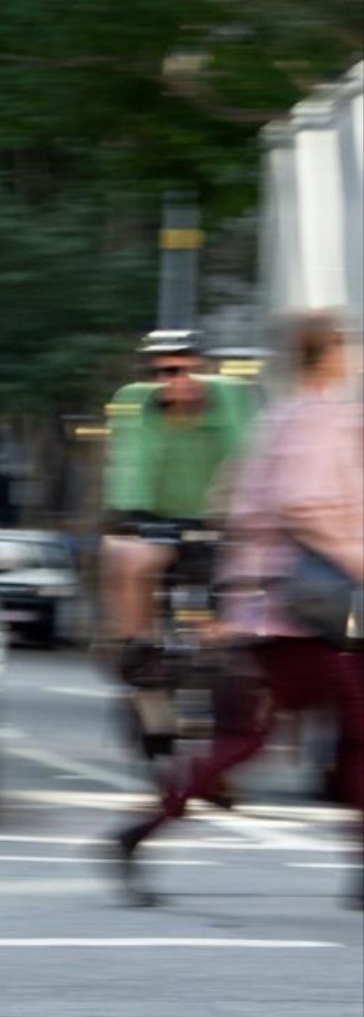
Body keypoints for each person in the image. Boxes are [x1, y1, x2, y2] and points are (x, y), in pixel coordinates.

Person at [111, 312, 364, 910]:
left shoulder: (278, 418)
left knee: (269, 739)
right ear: (327, 356)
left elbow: (240, 500)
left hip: (278, 606)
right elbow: (303, 506)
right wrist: (356, 561)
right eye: (343, 348)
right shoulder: (317, 416)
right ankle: (138, 833)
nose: (349, 356)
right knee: (293, 738)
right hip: (310, 611)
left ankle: (140, 833)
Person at [99, 331, 259, 682]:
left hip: (224, 522)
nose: (177, 381)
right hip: (160, 521)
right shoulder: (135, 403)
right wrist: (129, 518)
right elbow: (132, 467)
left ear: (204, 368)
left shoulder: (232, 397)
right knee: (124, 556)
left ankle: (245, 664)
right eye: (166, 372)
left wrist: (241, 514)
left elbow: (247, 459)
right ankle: (138, 646)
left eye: (188, 370)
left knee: (256, 580)